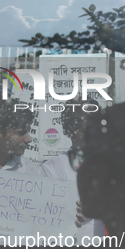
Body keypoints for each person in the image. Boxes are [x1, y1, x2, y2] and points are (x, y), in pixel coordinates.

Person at [38, 99, 106, 237]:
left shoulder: (114, 164)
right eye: (84, 131)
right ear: (68, 131)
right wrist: (67, 213)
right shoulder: (51, 169)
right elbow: (43, 214)